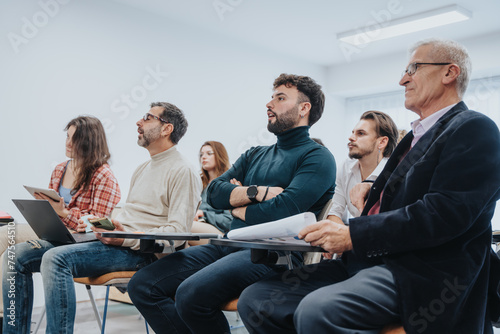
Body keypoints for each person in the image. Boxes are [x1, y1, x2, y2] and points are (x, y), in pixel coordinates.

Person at [238, 39, 500, 333]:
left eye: (413, 68)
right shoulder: (414, 138)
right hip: (368, 261)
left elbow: (444, 213)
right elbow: (404, 186)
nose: (403, 79)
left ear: (449, 73)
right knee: (256, 300)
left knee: (318, 311)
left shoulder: (475, 128)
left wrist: (353, 234)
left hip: (418, 271)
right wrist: (373, 190)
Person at [128, 73, 336, 334]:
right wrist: (256, 192)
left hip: (274, 255)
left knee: (191, 294)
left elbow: (284, 211)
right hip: (229, 244)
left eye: (280, 98)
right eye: (271, 97)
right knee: (143, 285)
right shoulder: (255, 154)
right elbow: (214, 193)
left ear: (304, 108)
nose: (269, 104)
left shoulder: (318, 158)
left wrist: (236, 205)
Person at [3, 102, 201, 334]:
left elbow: (177, 235)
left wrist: (124, 237)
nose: (138, 122)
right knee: (15, 255)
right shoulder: (143, 168)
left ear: (166, 129)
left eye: (147, 118)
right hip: (114, 241)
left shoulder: (183, 171)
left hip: (141, 253)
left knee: (56, 259)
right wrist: (110, 227)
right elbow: (133, 217)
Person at [0, 116, 121, 326]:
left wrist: (64, 214)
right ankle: (7, 320)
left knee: (8, 245)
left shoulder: (104, 176)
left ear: (88, 142)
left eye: (74, 138)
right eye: (67, 136)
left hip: (79, 241)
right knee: (4, 234)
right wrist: (44, 210)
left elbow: (95, 226)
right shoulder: (59, 169)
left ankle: (4, 317)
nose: (67, 143)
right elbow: (55, 212)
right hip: (53, 231)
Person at [328, 110, 398, 225]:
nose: (351, 137)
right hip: (359, 235)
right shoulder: (345, 167)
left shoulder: (395, 173)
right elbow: (333, 213)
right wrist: (347, 237)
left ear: (382, 142)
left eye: (361, 133)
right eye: (353, 132)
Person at [189, 141, 232, 245]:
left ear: (219, 155)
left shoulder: (228, 184)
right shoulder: (198, 183)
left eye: (209, 153)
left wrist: (204, 214)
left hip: (220, 233)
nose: (203, 157)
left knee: (183, 228)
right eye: (201, 154)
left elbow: (229, 221)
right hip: (198, 226)